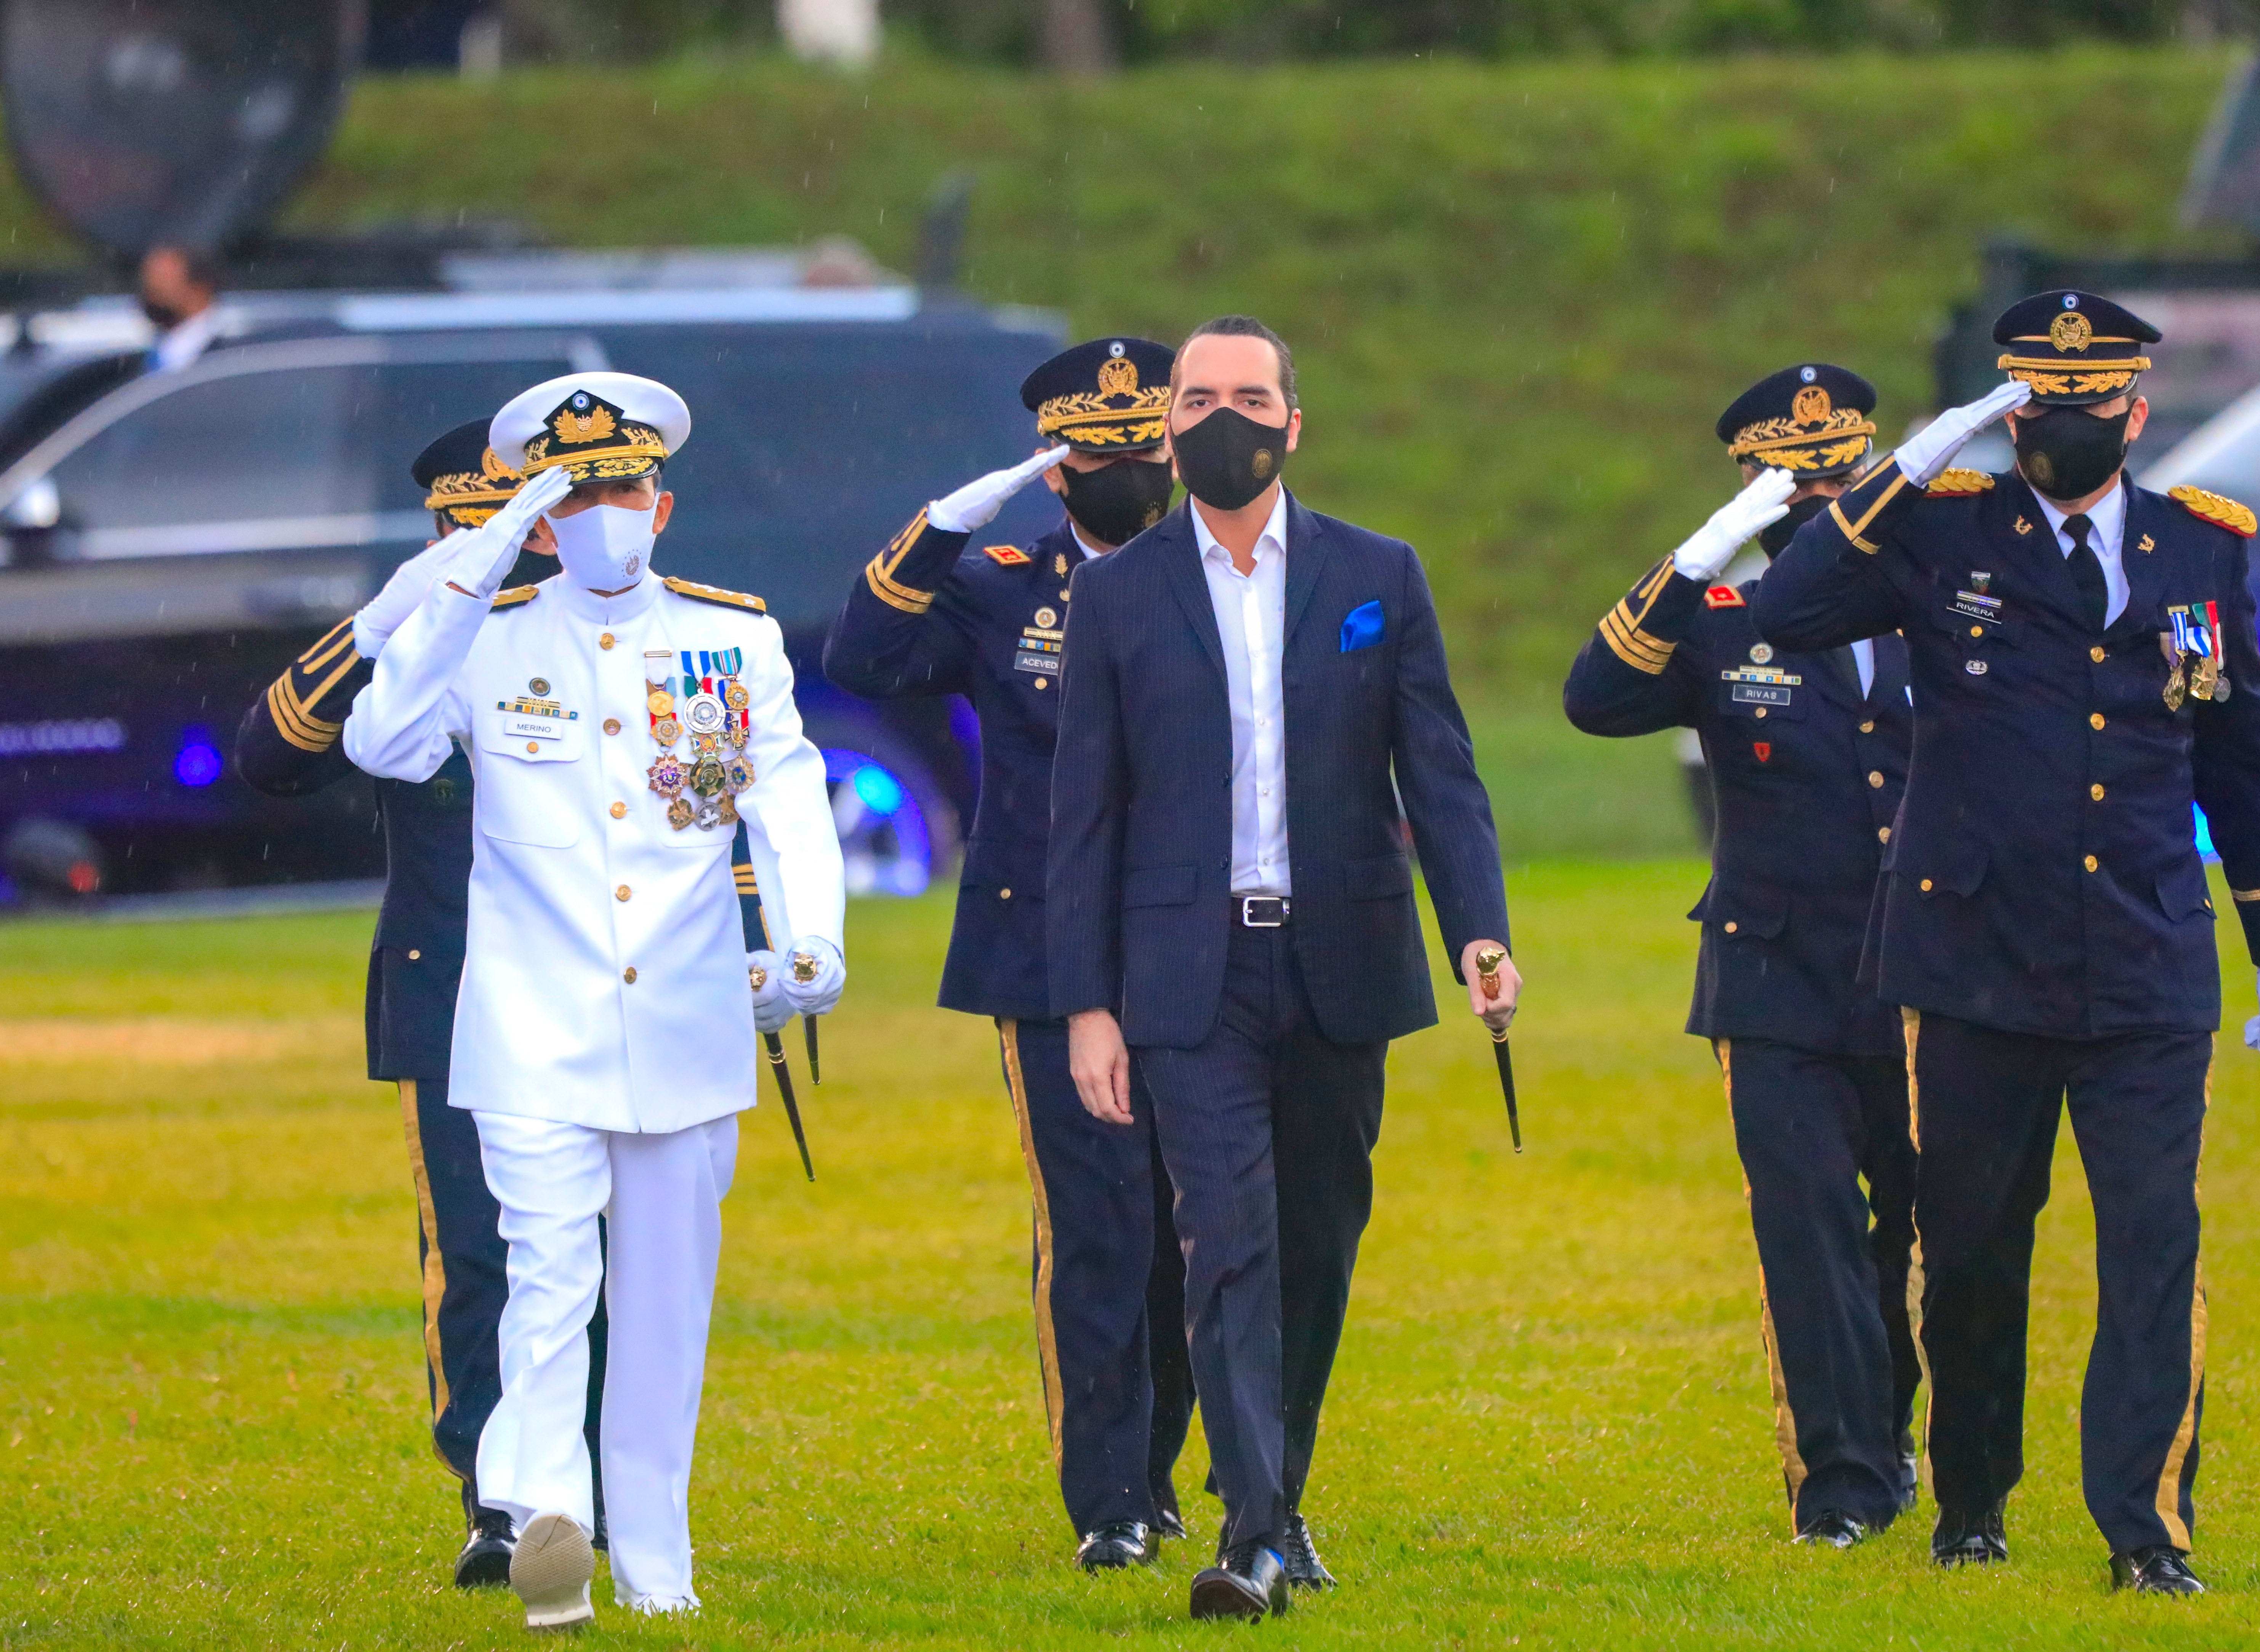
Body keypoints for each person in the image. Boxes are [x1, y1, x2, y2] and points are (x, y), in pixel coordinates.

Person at [1753, 292, 2260, 1595]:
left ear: (2136, 412)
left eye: (2088, 404)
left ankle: (2146, 1526)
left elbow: (2238, 753)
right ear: (2008, 417)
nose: (2065, 425)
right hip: (1973, 958)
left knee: (2152, 1244)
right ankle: (1970, 1498)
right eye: (2039, 406)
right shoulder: (1941, 527)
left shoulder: (2199, 546)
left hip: (2144, 953)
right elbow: (1788, 604)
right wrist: (1904, 468)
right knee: (1967, 1250)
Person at [345, 373, 847, 1628]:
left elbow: (785, 788)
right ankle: (546, 1520)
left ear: (661, 505)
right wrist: (475, 566)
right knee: (550, 1276)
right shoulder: (488, 634)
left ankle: (659, 1566)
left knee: (666, 1311)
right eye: (573, 497)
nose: (602, 516)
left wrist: (812, 937)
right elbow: (379, 738)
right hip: (530, 1022)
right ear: (539, 519)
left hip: (685, 1019)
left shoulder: (735, 637)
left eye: (622, 490)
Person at [1048, 315, 1520, 1621]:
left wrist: (1478, 931)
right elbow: (1083, 812)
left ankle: (1280, 1490)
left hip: (1339, 961)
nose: (1223, 418)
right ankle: (1251, 1533)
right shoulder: (1117, 593)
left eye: (1249, 397)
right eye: (1198, 397)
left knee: (1314, 1247)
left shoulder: (1379, 573)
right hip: (1184, 974)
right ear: (1166, 427)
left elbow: (1439, 773)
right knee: (1226, 1240)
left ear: (1293, 423)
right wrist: (1086, 1002)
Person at [822, 337, 1197, 1572]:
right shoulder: (1001, 584)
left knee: (1189, 1223)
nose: (1129, 474)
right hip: (1044, 944)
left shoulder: (1225, 572)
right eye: (1102, 455)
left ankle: (1162, 1467)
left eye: (1146, 450)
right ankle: (1110, 1499)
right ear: (1056, 469)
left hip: (1196, 935)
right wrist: (940, 527)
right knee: (1095, 1220)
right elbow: (862, 661)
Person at [1563, 364, 1922, 1548]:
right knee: (1807, 1229)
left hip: (1926, 971)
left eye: (1838, 475)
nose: (1820, 501)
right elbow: (1593, 698)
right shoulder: (1722, 618)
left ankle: (1901, 1437)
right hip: (1775, 979)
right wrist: (1696, 557)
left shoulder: (1936, 604)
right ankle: (1842, 1481)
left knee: (1920, 1232)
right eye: (1790, 485)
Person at [234, 419, 592, 1588]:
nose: (499, 554)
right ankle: (498, 1499)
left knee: (602, 1249)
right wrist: (382, 620)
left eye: (516, 531)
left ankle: (589, 1480)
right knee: (478, 1252)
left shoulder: (596, 630)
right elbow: (271, 758)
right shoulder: (414, 647)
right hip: (451, 985)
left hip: (592, 981)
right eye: (470, 532)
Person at [137, 244, 226, 375]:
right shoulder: (154, 353)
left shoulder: (226, 357)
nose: (153, 298)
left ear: (199, 289)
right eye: (149, 288)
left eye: (163, 285)